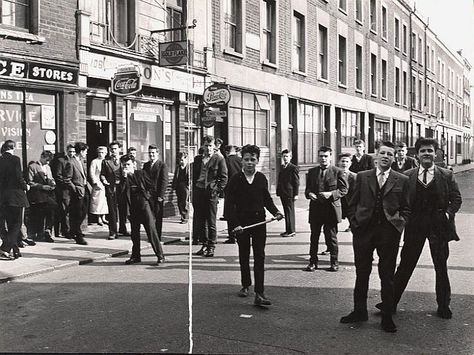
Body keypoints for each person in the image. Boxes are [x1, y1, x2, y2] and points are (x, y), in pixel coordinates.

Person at [340, 141, 410, 333]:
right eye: (383, 153)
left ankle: (387, 316)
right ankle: (359, 311)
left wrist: (399, 225)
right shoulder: (362, 177)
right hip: (364, 230)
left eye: (390, 154)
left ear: (394, 158)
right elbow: (350, 202)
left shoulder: (401, 179)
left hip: (388, 233)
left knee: (387, 275)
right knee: (361, 272)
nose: (386, 156)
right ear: (376, 156)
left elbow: (406, 207)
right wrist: (354, 223)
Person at [390, 137, 461, 319]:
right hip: (415, 226)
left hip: (438, 227)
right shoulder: (408, 175)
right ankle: (390, 303)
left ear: (435, 153)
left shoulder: (446, 175)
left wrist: (447, 214)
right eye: (423, 151)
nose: (427, 154)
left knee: (440, 267)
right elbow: (399, 201)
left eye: (430, 150)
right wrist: (403, 219)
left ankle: (444, 305)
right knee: (405, 265)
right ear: (417, 154)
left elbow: (456, 199)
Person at [227, 144, 284, 306]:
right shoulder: (235, 180)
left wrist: (276, 212)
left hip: (259, 222)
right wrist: (235, 225)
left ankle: (260, 293)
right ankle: (246, 285)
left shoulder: (261, 178)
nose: (249, 162)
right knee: (244, 255)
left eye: (253, 159)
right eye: (246, 160)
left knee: (259, 256)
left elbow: (267, 200)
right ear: (242, 161)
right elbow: (229, 206)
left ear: (257, 161)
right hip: (242, 225)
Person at [304, 146, 347, 272]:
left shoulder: (337, 171)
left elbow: (344, 190)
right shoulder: (312, 172)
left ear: (330, 157)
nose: (323, 159)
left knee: (331, 237)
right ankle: (312, 262)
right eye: (321, 156)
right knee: (314, 237)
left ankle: (334, 262)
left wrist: (331, 194)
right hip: (316, 209)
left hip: (330, 209)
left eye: (326, 156)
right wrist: (309, 194)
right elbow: (308, 189)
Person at [120, 154, 165, 265]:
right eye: (124, 165)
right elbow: (121, 193)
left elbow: (151, 187)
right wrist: (124, 178)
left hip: (144, 206)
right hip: (133, 208)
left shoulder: (141, 174)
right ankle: (136, 256)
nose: (126, 167)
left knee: (151, 231)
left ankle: (160, 256)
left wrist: (147, 198)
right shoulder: (123, 178)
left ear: (134, 165)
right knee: (134, 234)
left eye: (129, 164)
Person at [192, 135, 228, 257]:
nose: (208, 148)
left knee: (211, 221)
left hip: (211, 194)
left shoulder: (219, 159)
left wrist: (216, 190)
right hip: (199, 193)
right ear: (203, 146)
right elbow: (193, 177)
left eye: (210, 146)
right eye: (206, 146)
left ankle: (211, 246)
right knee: (200, 221)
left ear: (214, 147)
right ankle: (204, 244)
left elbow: (224, 178)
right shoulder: (197, 159)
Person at [0, 140, 30, 260]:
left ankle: (16, 251)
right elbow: (18, 177)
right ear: (12, 148)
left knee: (9, 225)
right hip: (16, 197)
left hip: (3, 199)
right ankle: (5, 248)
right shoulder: (15, 159)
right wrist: (25, 186)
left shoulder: (0, 160)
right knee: (16, 224)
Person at [26, 151, 57, 243]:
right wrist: (42, 186)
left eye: (49, 161)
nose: (47, 162)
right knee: (39, 215)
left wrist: (52, 182)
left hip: (48, 195)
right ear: (42, 157)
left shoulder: (48, 167)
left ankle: (48, 231)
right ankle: (39, 234)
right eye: (46, 160)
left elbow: (51, 178)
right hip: (37, 195)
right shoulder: (33, 167)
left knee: (53, 208)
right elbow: (30, 182)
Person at [142, 145, 168, 241]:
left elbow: (164, 181)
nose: (151, 155)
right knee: (149, 217)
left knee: (157, 217)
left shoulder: (162, 165)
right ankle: (151, 236)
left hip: (157, 196)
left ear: (157, 153)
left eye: (153, 153)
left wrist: (161, 196)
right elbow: (143, 179)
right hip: (148, 195)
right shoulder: (146, 165)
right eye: (149, 153)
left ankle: (157, 237)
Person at [51, 144, 75, 239]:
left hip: (74, 189)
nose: (72, 153)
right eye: (70, 152)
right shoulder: (61, 161)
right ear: (66, 151)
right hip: (65, 189)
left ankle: (73, 230)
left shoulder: (75, 160)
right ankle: (66, 231)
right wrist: (67, 184)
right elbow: (58, 176)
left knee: (73, 210)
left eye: (73, 152)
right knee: (65, 211)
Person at [69, 142, 90, 245]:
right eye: (85, 151)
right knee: (77, 214)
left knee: (84, 211)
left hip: (85, 189)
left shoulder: (81, 161)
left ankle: (74, 230)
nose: (86, 153)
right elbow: (67, 179)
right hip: (77, 191)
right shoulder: (71, 162)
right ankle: (78, 236)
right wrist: (75, 189)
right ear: (81, 151)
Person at [100, 141, 123, 239]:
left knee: (123, 209)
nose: (113, 151)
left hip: (123, 188)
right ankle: (113, 232)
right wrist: (104, 180)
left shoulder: (123, 160)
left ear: (119, 149)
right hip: (111, 188)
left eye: (115, 149)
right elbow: (102, 174)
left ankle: (123, 228)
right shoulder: (106, 161)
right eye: (112, 149)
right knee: (112, 210)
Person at [276, 149, 299, 238]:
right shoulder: (282, 167)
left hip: (290, 193)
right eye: (284, 156)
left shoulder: (293, 168)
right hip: (283, 192)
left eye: (287, 156)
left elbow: (296, 182)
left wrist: (296, 194)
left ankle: (291, 231)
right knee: (286, 211)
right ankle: (288, 229)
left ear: (290, 157)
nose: (285, 158)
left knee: (290, 212)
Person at [223, 145, 242, 244]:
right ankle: (240, 233)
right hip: (241, 190)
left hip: (230, 191)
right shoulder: (241, 160)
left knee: (230, 214)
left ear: (227, 152)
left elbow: (224, 175)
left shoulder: (226, 161)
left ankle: (232, 236)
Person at [89, 146, 108, 227]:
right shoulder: (95, 161)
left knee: (105, 201)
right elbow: (92, 172)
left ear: (106, 153)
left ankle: (104, 217)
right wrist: (95, 182)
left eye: (103, 153)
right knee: (98, 201)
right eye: (99, 152)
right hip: (98, 182)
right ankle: (98, 218)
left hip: (106, 183)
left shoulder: (107, 161)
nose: (101, 154)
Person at [338, 153, 357, 233]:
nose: (344, 164)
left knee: (351, 215)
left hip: (350, 201)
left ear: (350, 163)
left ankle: (352, 226)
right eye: (342, 161)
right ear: (339, 162)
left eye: (346, 162)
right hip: (338, 200)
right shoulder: (335, 174)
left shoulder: (354, 176)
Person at [172, 151, 190, 224]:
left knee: (185, 202)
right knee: (179, 202)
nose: (181, 161)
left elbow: (190, 178)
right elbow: (175, 177)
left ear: (186, 159)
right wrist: (173, 186)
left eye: (182, 160)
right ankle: (182, 216)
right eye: (180, 160)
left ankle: (185, 217)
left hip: (186, 187)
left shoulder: (189, 167)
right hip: (179, 186)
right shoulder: (178, 167)